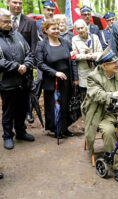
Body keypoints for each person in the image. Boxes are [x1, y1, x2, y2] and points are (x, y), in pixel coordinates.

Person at [81, 47, 118, 183]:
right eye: (114, 63)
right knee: (108, 131)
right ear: (104, 66)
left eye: (117, 61)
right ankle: (117, 165)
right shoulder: (93, 77)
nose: (117, 64)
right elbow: (98, 95)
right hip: (102, 113)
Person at [35, 19, 79, 138]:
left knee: (65, 104)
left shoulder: (66, 43)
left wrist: (75, 78)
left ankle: (64, 128)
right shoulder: (41, 45)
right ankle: (56, 129)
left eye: (57, 28)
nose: (56, 31)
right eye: (53, 29)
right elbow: (40, 63)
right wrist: (55, 73)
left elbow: (73, 60)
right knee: (53, 105)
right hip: (51, 80)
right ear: (45, 30)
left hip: (67, 79)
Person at [0, 8, 35, 150]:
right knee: (8, 111)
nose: (8, 24)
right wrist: (16, 66)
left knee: (22, 108)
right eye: (5, 21)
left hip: (23, 81)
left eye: (9, 21)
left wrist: (26, 65)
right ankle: (8, 136)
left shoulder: (18, 35)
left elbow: (29, 53)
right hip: (7, 82)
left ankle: (21, 131)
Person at [7, 0, 39, 123]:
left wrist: (29, 64)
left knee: (26, 91)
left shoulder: (30, 22)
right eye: (14, 2)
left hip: (26, 65)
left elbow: (34, 44)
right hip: (8, 66)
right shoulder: (3, 20)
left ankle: (27, 112)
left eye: (20, 3)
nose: (18, 5)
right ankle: (11, 118)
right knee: (10, 95)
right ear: (8, 3)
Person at [71, 19, 103, 99]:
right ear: (76, 30)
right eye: (78, 29)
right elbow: (74, 56)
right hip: (83, 71)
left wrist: (93, 56)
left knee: (97, 93)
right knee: (85, 96)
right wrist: (85, 56)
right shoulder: (74, 39)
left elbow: (101, 53)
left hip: (95, 70)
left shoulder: (94, 37)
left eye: (82, 28)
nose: (81, 30)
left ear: (86, 28)